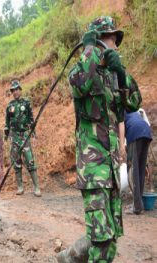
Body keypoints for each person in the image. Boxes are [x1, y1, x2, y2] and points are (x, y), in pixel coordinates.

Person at [67, 16, 142, 262]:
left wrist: (120, 72)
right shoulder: (81, 71)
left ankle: (69, 257)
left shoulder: (113, 75)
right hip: (93, 169)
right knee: (101, 240)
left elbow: (133, 102)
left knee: (111, 240)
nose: (116, 45)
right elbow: (79, 86)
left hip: (109, 170)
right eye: (111, 38)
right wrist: (88, 50)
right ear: (98, 41)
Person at [4, 80, 41, 197]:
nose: (15, 92)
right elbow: (7, 122)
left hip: (24, 135)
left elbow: (31, 119)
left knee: (30, 160)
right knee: (16, 162)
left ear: (20, 90)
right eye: (13, 90)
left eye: (16, 89)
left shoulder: (26, 103)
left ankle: (36, 187)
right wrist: (6, 135)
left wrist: (33, 131)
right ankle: (20, 187)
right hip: (14, 137)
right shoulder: (9, 106)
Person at [125, 110, 152, 214]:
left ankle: (137, 207)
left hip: (135, 132)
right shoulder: (134, 110)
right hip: (146, 131)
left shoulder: (119, 111)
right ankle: (139, 204)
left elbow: (121, 131)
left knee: (132, 170)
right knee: (140, 169)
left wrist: (122, 150)